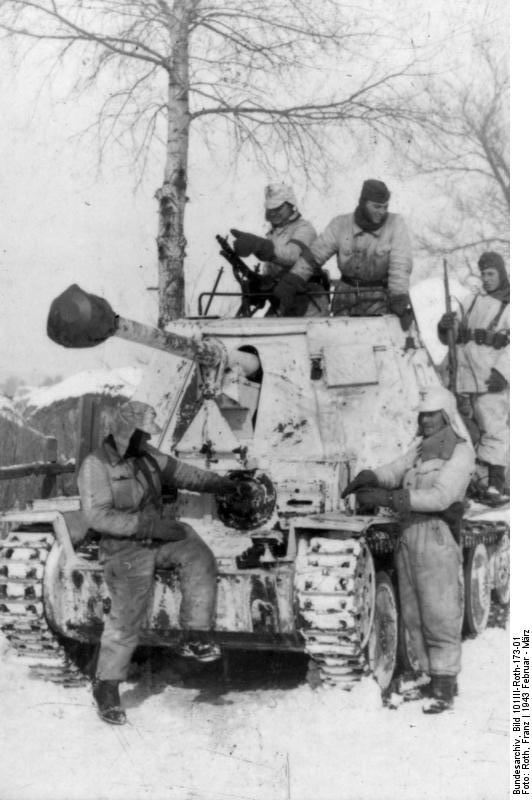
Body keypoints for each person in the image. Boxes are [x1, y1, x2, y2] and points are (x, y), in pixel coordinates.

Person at [77, 400, 236, 725]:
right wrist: (146, 526)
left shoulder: (147, 456)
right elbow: (97, 516)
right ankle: (106, 686)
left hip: (156, 536)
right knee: (126, 616)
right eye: (141, 434)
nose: (146, 439)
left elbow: (183, 473)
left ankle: (196, 633)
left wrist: (222, 483)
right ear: (125, 431)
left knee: (196, 552)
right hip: (123, 546)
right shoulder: (96, 466)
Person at [342, 386, 475, 713]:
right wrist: (370, 476)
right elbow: (395, 470)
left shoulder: (460, 451)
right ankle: (429, 676)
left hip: (436, 534)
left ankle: (445, 685)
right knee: (413, 613)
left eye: (432, 414)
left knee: (439, 612)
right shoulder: (420, 449)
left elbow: (441, 497)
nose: (426, 420)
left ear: (445, 416)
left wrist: (389, 499)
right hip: (408, 535)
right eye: (423, 415)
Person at [269, 178, 413, 324]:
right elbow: (314, 255)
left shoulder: (395, 224)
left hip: (379, 299)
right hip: (344, 297)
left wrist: (399, 297)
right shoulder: (341, 224)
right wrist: (292, 280)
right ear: (363, 203)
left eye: (385, 206)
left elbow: (400, 264)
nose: (382, 212)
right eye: (376, 207)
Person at [438, 251, 510, 503]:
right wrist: (445, 325)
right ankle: (468, 481)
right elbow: (454, 334)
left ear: (501, 274)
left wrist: (503, 372)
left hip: (490, 378)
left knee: (493, 428)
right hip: (462, 376)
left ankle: (496, 484)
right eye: (483, 274)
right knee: (461, 428)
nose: (487, 279)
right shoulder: (470, 300)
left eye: (491, 274)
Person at [230, 183, 327, 316]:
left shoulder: (304, 229)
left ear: (291, 205)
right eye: (270, 209)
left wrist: (260, 246)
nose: (273, 212)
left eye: (278, 207)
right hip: (283, 300)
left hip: (309, 300)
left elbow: (293, 255)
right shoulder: (274, 233)